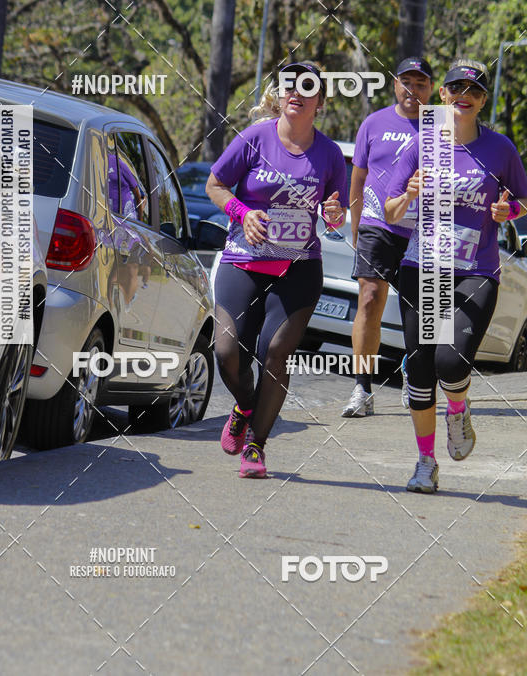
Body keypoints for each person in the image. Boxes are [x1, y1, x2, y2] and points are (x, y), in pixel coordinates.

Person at [384, 60, 527, 493]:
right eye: (456, 88)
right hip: (423, 268)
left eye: (474, 90)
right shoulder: (422, 143)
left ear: (482, 101)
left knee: (451, 360)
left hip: (475, 269)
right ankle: (425, 462)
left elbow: (523, 199)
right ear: (443, 95)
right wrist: (408, 194)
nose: (465, 96)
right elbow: (389, 210)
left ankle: (459, 409)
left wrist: (508, 211)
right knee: (421, 368)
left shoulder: (500, 149)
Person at [206, 62, 349, 478]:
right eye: (290, 85)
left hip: (298, 268)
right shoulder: (254, 138)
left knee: (275, 352)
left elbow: (336, 215)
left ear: (320, 101)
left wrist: (335, 213)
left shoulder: (329, 154)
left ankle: (256, 446)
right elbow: (215, 185)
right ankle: (245, 407)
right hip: (244, 260)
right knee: (227, 352)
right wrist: (242, 212)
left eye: (308, 87)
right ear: (281, 94)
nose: (296, 92)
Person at [342, 57, 434, 418]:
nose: (413, 89)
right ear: (395, 84)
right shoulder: (374, 123)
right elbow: (358, 179)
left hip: (423, 230)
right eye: (406, 82)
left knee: (422, 312)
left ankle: (416, 373)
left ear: (431, 89)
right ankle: (362, 388)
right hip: (377, 225)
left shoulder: (442, 128)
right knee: (369, 298)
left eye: (421, 83)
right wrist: (355, 227)